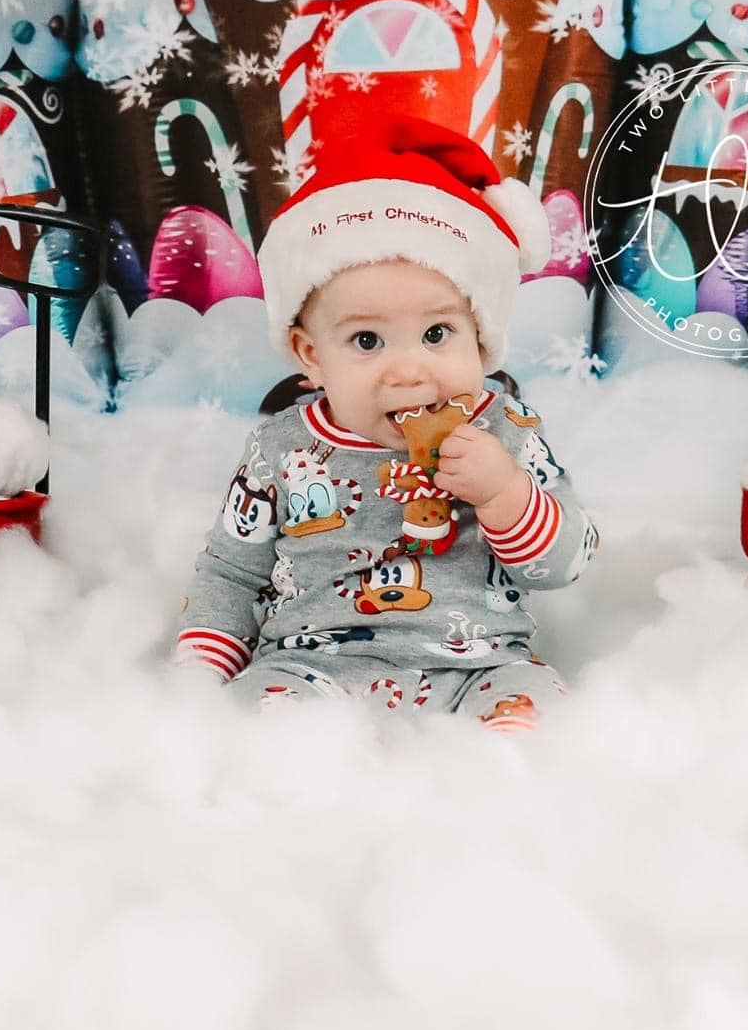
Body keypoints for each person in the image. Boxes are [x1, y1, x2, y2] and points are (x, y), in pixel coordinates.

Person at [173, 113, 600, 730]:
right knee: (257, 729)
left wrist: (504, 492)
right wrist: (195, 682)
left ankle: (496, 797)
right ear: (311, 356)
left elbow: (567, 562)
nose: (407, 371)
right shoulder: (281, 446)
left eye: (436, 333)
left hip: (482, 666)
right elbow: (230, 573)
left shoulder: (504, 428)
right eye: (367, 340)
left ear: (480, 339)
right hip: (310, 668)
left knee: (536, 721)